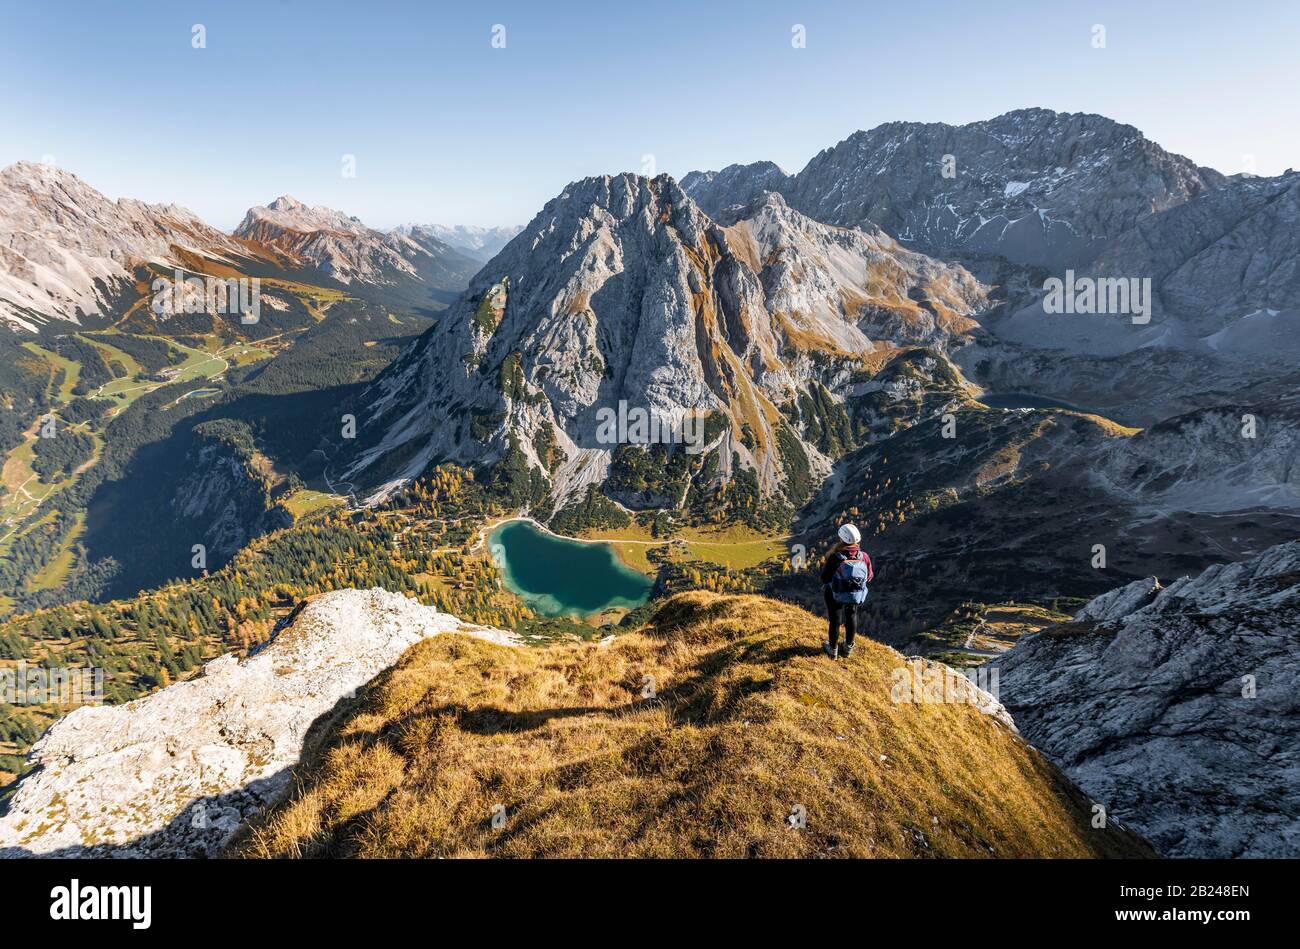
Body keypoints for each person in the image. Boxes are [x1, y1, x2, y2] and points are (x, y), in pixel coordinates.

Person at [819, 523, 873, 659]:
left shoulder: (836, 557)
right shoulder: (864, 556)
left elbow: (824, 578)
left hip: (835, 593)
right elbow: (870, 576)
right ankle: (848, 648)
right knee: (851, 617)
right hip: (854, 594)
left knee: (835, 620)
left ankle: (832, 650)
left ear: (842, 539)